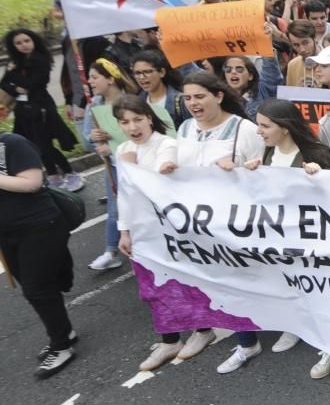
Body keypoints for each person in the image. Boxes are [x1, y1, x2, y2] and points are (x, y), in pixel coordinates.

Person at [215, 99, 330, 374]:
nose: (259, 131)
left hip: (309, 239)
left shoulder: (316, 153)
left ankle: (329, 341)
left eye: (265, 125)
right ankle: (293, 326)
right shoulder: (267, 154)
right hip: (278, 237)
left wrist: (320, 178)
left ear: (285, 128)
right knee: (286, 283)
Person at [165, 71, 265, 362]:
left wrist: (236, 167)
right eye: (187, 98)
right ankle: (207, 329)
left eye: (200, 96)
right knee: (202, 277)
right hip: (192, 220)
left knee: (235, 280)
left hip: (232, 221)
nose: (193, 103)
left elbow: (263, 172)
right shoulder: (184, 129)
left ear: (218, 96)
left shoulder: (242, 129)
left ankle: (248, 342)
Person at [1, 131, 78, 378]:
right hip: (6, 233)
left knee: (37, 289)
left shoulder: (12, 143)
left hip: (39, 226)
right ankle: (63, 332)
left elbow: (32, 182)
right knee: (37, 288)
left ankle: (62, 347)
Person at [113, 95, 181, 370]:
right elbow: (124, 196)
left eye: (137, 119)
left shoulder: (166, 144)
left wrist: (133, 165)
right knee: (153, 286)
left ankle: (202, 330)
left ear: (149, 118)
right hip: (141, 230)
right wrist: (124, 231)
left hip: (169, 228)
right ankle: (169, 339)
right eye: (124, 122)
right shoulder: (124, 151)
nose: (132, 127)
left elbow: (161, 175)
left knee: (185, 279)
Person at [1, 28, 82, 191]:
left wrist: (13, 78)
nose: (23, 45)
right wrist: (15, 84)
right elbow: (4, 84)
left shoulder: (40, 59)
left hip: (41, 108)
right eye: (18, 43)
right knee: (33, 144)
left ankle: (70, 173)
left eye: (26, 41)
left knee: (44, 145)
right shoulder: (17, 62)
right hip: (24, 109)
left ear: (33, 41)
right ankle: (53, 176)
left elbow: (30, 85)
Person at [82, 58, 139, 271]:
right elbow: (86, 140)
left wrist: (114, 147)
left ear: (111, 79)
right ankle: (111, 251)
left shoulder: (133, 101)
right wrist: (94, 136)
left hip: (137, 165)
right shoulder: (94, 105)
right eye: (89, 77)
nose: (90, 82)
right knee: (116, 210)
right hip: (113, 167)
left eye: (95, 77)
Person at [132, 49, 189, 129]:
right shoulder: (136, 102)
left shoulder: (181, 101)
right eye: (137, 73)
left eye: (147, 72)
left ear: (162, 72)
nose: (142, 77)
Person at [222, 53, 283, 121]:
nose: (233, 72)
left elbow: (271, 76)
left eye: (239, 69)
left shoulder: (261, 92)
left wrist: (268, 53)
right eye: (228, 69)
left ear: (250, 76)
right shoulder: (219, 98)